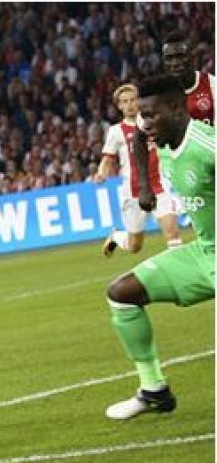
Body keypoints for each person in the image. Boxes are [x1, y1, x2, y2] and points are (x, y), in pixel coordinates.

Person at [104, 74, 215, 420]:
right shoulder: (163, 141)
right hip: (205, 252)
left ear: (177, 108)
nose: (145, 124)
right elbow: (137, 141)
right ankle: (154, 389)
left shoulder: (206, 145)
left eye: (151, 115)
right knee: (122, 293)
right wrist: (144, 189)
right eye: (141, 116)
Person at [95, 83, 182, 256]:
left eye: (133, 100)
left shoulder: (153, 122)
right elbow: (107, 158)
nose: (129, 105)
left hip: (159, 186)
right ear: (119, 106)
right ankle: (116, 236)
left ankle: (181, 278)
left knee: (173, 233)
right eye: (125, 101)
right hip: (133, 192)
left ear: (139, 101)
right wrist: (101, 173)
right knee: (135, 245)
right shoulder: (115, 131)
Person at [161, 30, 216, 125]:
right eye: (169, 58)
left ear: (193, 57)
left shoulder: (212, 85)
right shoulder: (159, 95)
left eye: (180, 56)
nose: (175, 63)